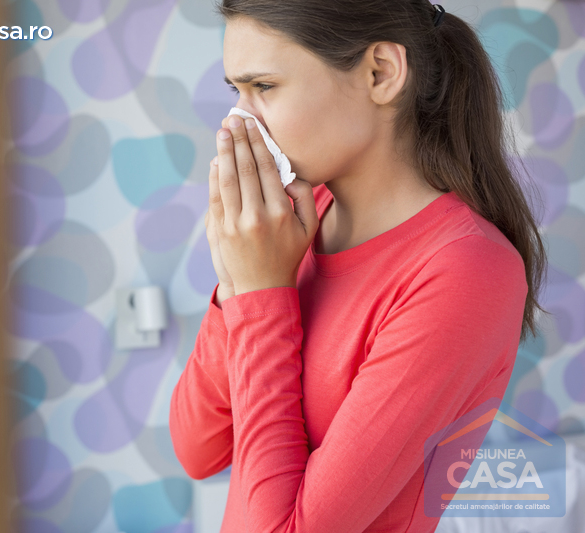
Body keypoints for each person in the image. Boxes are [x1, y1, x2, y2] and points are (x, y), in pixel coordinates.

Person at [168, 0, 548, 531]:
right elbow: (198, 450)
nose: (236, 123)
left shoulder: (465, 271)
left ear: (381, 73)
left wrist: (262, 292)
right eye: (237, 90)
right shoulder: (294, 224)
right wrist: (237, 281)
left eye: (265, 87)